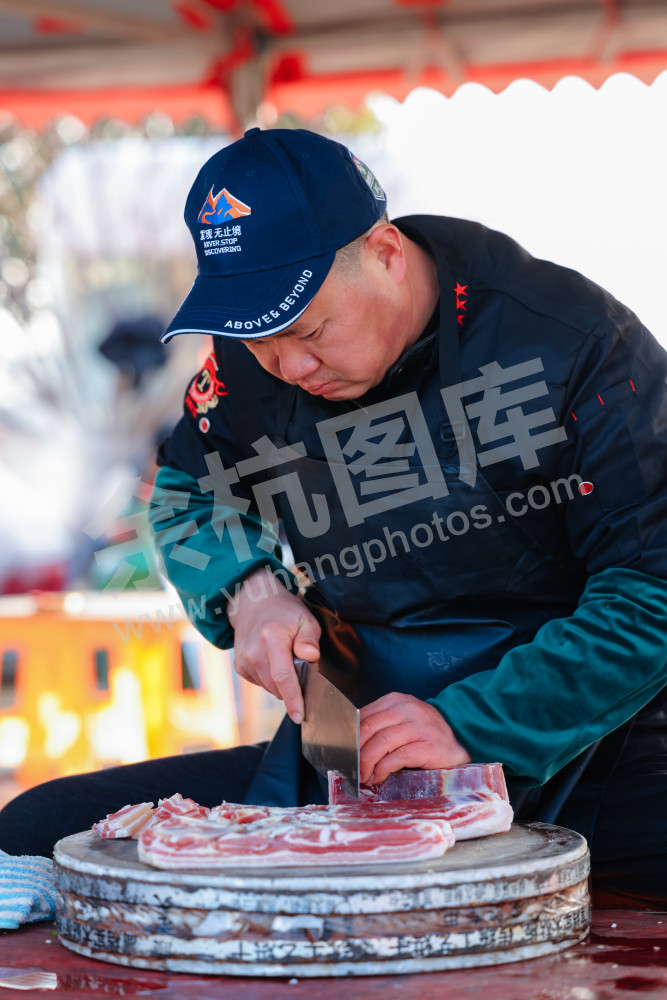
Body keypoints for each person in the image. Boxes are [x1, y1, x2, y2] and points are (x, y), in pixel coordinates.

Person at [2, 128, 666, 909]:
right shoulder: (250, 359)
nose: (288, 367)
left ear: (384, 253)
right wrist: (249, 591)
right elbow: (188, 489)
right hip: (352, 762)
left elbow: (651, 592)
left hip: (590, 749)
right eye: (261, 343)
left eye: (309, 332)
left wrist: (473, 724)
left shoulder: (573, 343)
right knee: (33, 828)